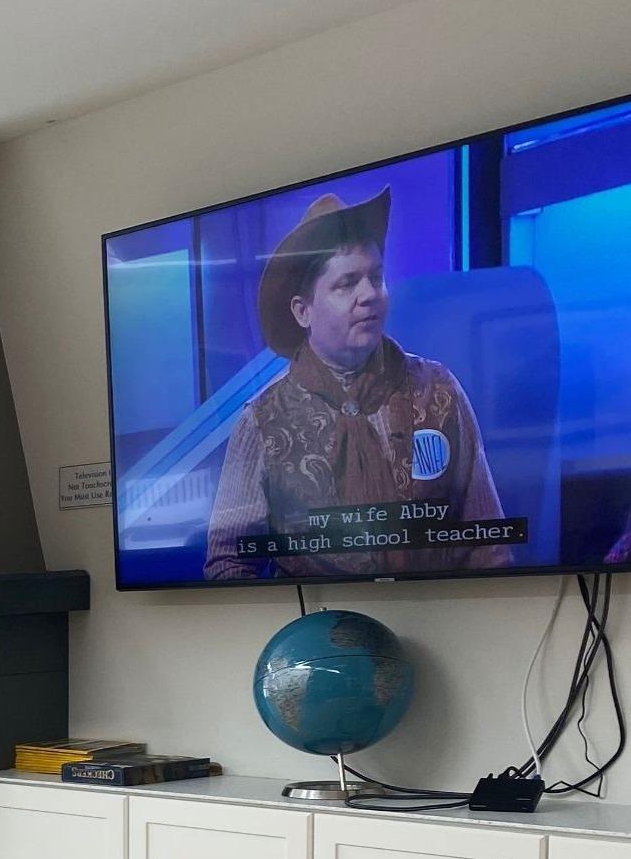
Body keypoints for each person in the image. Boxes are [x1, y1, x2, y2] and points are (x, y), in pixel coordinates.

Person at [204, 188, 511, 581]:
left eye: (376, 277)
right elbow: (228, 564)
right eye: (347, 283)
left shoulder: (439, 390)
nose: (370, 295)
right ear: (303, 311)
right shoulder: (261, 421)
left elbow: (489, 544)